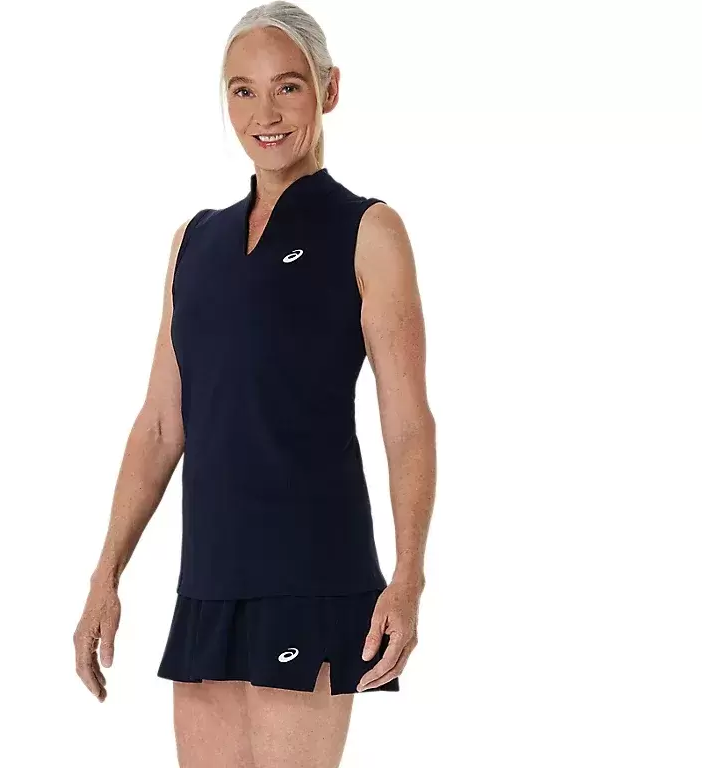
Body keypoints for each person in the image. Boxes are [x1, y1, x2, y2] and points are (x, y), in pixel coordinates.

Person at [75, 2, 436, 765]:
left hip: (311, 572)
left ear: (328, 89)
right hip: (209, 579)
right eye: (242, 91)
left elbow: (407, 421)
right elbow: (162, 425)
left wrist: (408, 577)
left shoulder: (368, 231)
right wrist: (106, 575)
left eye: (287, 87)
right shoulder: (194, 242)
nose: (263, 114)